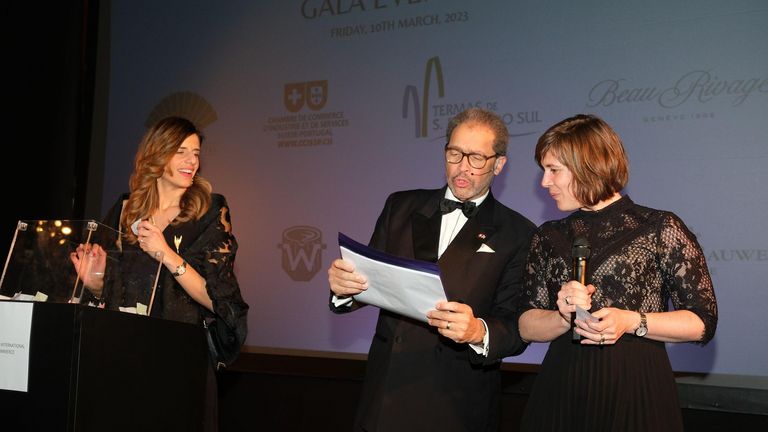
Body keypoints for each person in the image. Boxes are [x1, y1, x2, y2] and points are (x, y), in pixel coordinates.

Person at [327, 107, 536, 431]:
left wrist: (478, 331)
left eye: (476, 158)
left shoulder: (518, 233)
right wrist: (345, 289)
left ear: (499, 164)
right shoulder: (400, 206)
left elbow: (517, 326)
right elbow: (369, 279)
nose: (462, 167)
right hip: (386, 397)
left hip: (455, 404)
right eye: (455, 153)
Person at [517, 114, 718, 431]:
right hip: (562, 389)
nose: (544, 182)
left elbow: (702, 322)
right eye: (544, 170)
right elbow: (526, 325)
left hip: (636, 389)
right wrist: (562, 316)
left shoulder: (658, 227)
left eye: (554, 170)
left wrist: (631, 321)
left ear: (589, 165)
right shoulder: (548, 236)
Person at [70, 116, 249, 431]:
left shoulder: (209, 211)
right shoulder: (125, 211)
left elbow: (220, 301)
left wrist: (165, 253)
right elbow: (112, 295)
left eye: (196, 153)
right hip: (127, 356)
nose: (192, 161)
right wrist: (94, 280)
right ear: (157, 154)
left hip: (180, 361)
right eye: (181, 152)